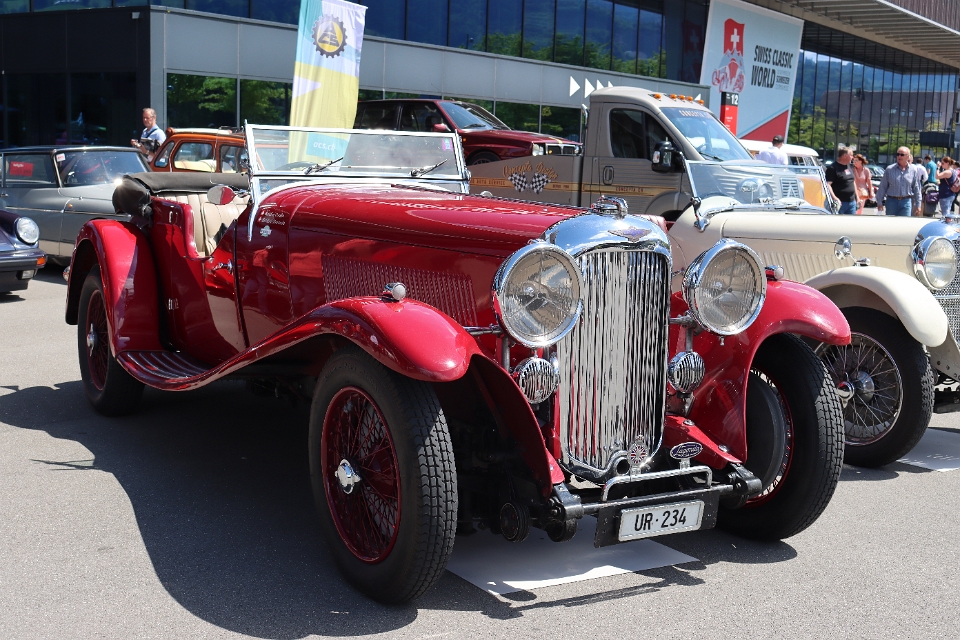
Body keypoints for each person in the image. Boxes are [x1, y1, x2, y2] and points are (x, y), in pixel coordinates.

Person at [877, 146, 923, 217]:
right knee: (891, 223)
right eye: (898, 154)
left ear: (908, 156)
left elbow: (917, 188)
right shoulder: (889, 169)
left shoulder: (913, 170)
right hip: (891, 202)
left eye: (902, 155)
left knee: (905, 223)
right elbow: (883, 186)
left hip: (906, 202)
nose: (899, 156)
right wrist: (879, 202)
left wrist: (918, 205)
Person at [825, 147, 859, 215]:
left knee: (851, 221)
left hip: (852, 202)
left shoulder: (849, 166)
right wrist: (835, 198)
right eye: (851, 155)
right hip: (840, 203)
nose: (852, 157)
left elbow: (852, 182)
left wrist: (857, 197)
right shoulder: (833, 168)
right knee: (838, 221)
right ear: (845, 155)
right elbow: (828, 184)